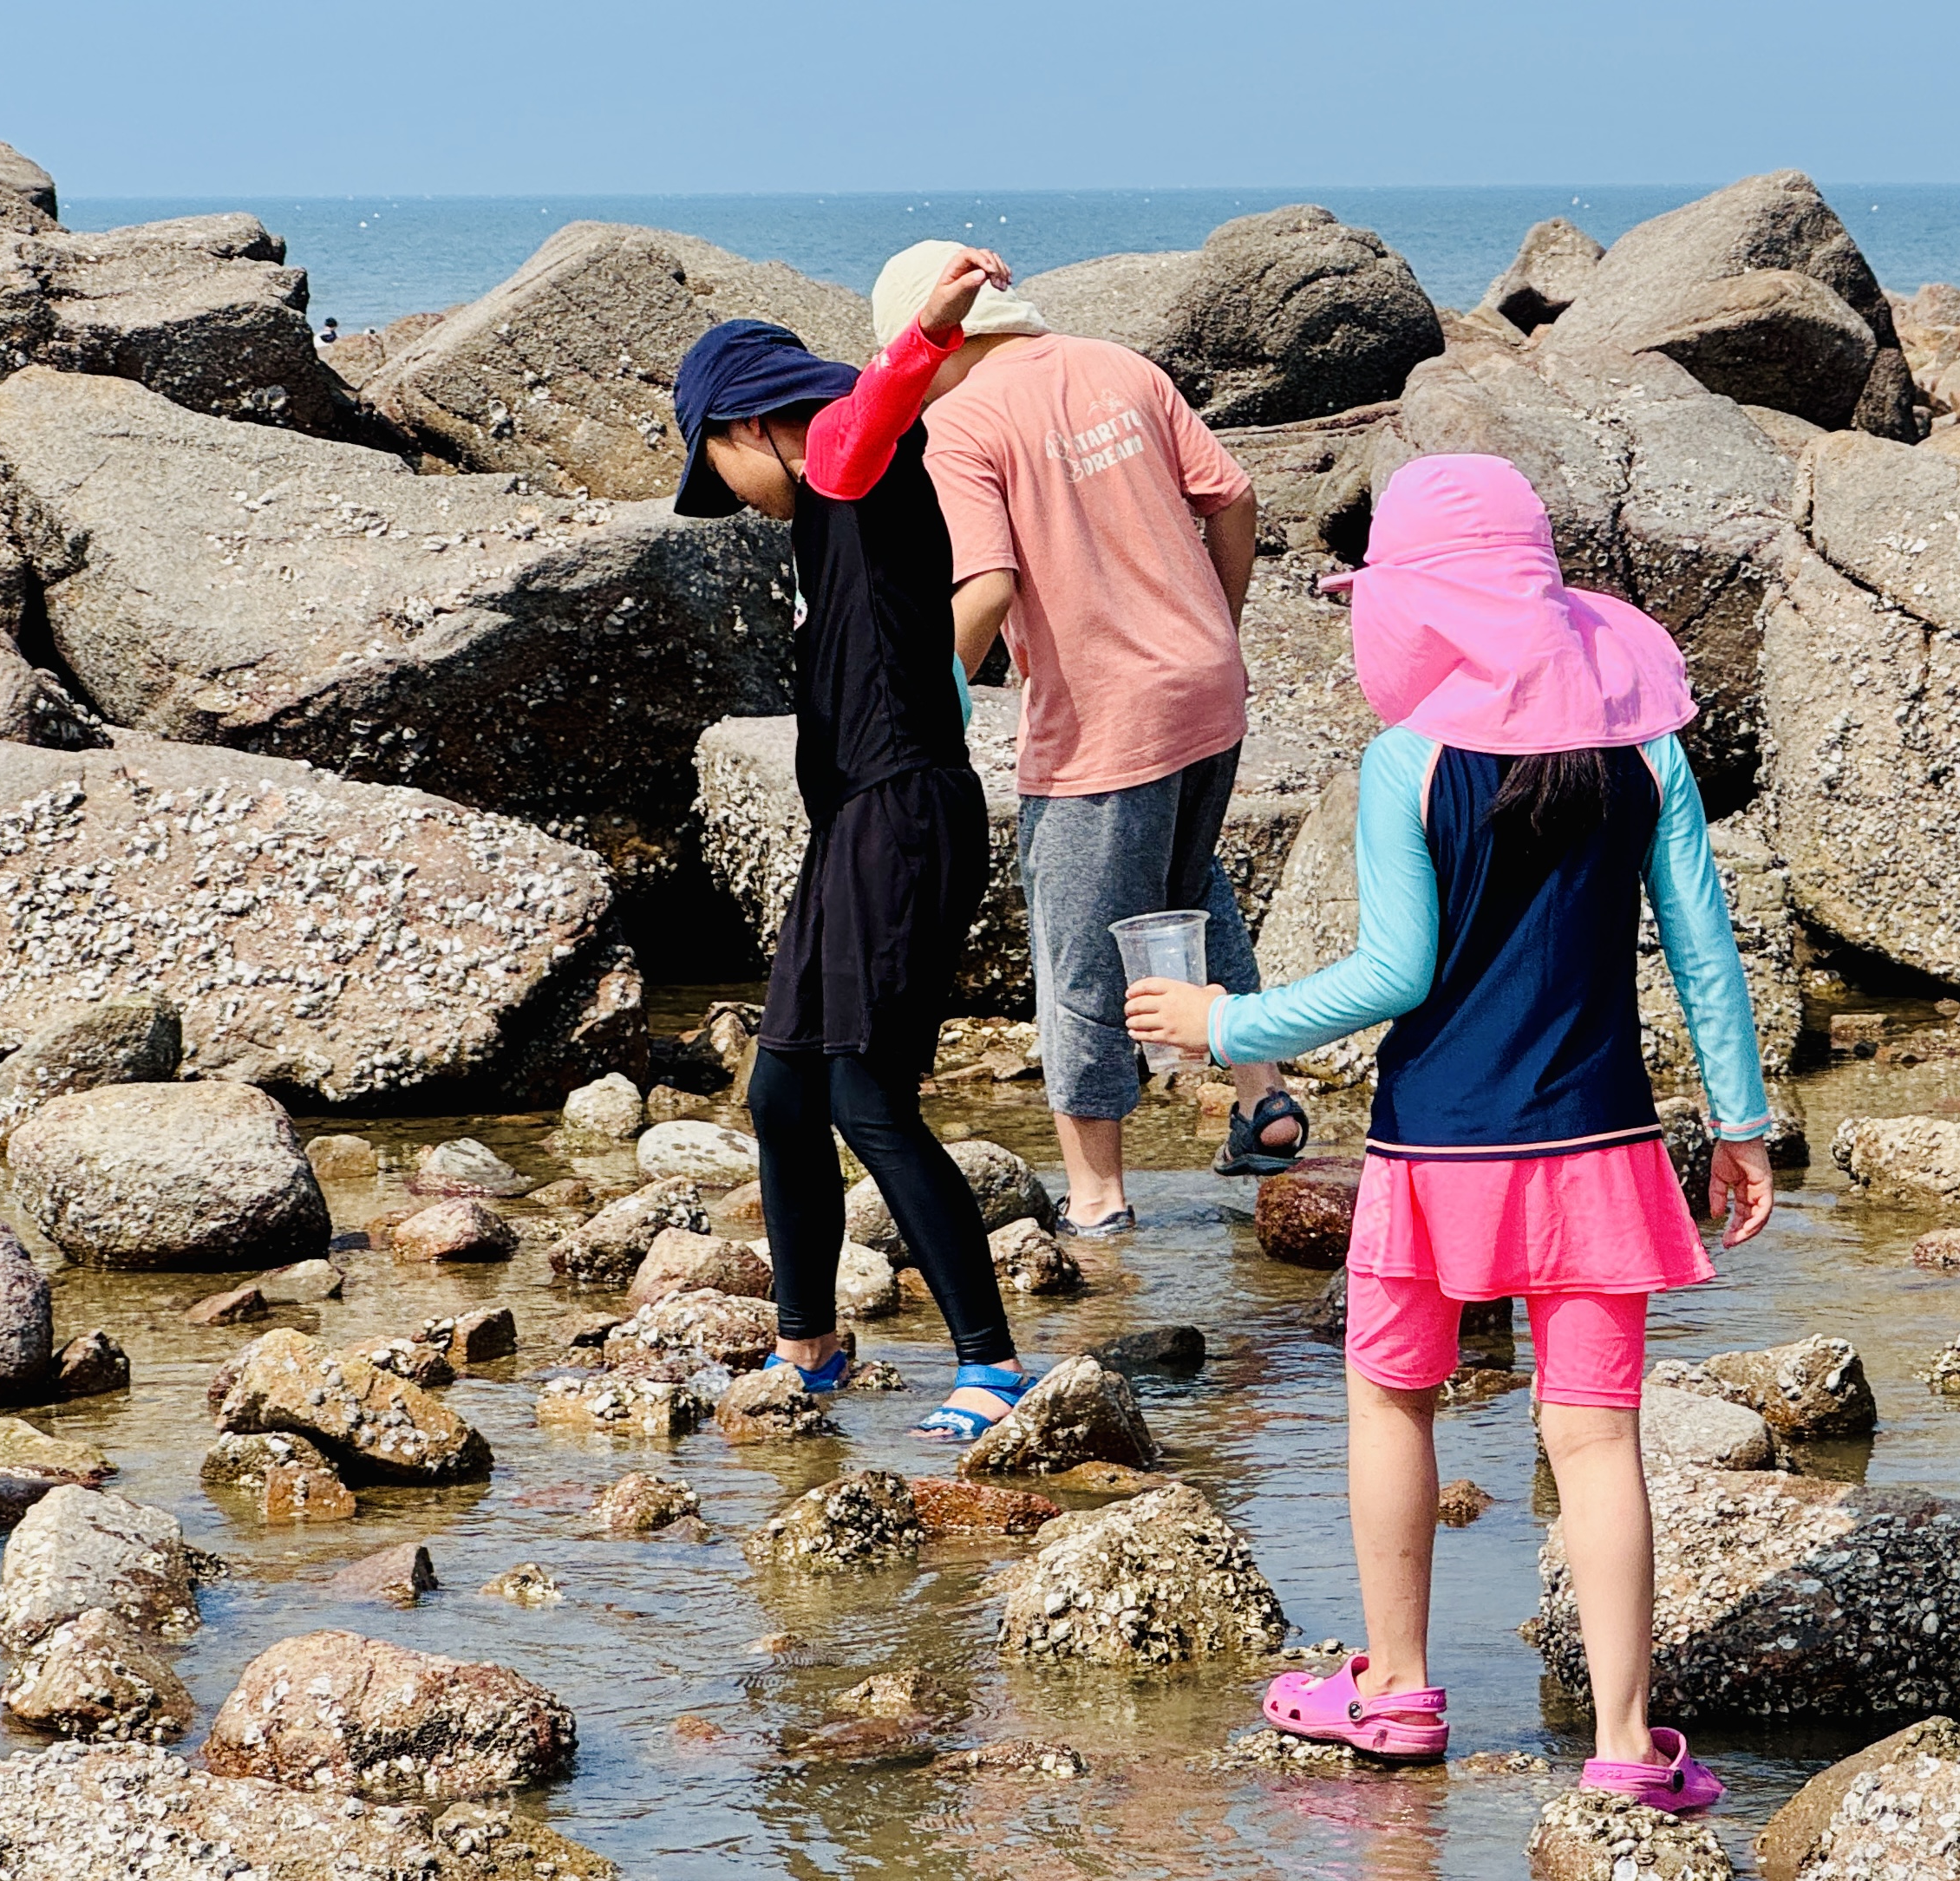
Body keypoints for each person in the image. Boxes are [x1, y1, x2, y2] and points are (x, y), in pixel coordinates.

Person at [1125, 453, 1774, 1811]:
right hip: (1602, 1145)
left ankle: (1399, 1691)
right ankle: (1623, 1747)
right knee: (1594, 1439)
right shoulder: (1644, 747)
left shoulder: (1408, 762)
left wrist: (1226, 1021)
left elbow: (1394, 973)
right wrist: (1740, 1121)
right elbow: (1704, 951)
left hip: (1435, 1153)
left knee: (1391, 1396)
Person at [667, 254, 1044, 1441]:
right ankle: (809, 1343)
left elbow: (861, 415)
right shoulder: (837, 506)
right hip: (851, 826)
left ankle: (991, 1363)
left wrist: (925, 334)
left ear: (750, 425)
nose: (732, 498)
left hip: (902, 818)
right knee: (782, 1089)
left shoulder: (848, 463)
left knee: (866, 1095)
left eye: (717, 468)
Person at [914, 250, 1301, 1236]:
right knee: (1185, 884)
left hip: (1102, 718)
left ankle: (1096, 1196)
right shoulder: (1120, 365)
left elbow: (987, 586)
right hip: (1206, 688)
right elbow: (1233, 497)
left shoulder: (959, 423)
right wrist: (1216, 625)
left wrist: (920, 703)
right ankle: (1263, 1095)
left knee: (1080, 948)